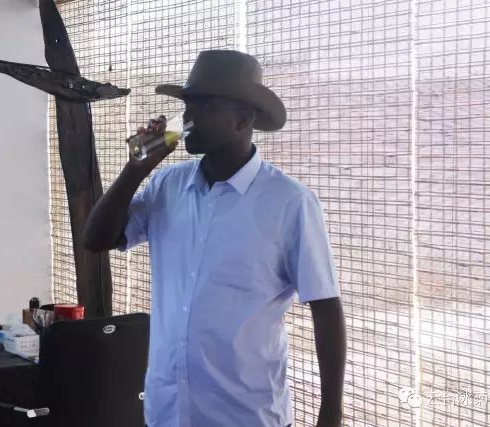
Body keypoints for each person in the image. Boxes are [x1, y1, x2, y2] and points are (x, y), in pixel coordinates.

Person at [83, 50, 346, 427]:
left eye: (205, 106)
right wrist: (134, 169)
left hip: (246, 416)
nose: (188, 117)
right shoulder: (167, 186)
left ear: (243, 119)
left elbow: (326, 307)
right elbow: (96, 239)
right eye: (187, 104)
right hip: (168, 412)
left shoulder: (289, 202)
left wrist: (330, 415)